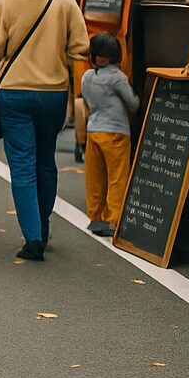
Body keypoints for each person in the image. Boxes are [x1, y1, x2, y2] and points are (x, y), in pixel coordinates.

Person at [0, 0, 91, 261]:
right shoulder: (65, 2)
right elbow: (80, 49)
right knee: (46, 161)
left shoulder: (5, 1)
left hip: (14, 94)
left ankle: (33, 238)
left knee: (23, 166)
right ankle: (41, 224)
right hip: (54, 94)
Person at [81, 32, 138, 237]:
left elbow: (86, 101)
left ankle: (96, 218)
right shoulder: (117, 78)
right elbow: (132, 104)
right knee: (117, 177)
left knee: (95, 177)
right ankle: (114, 220)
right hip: (115, 133)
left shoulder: (87, 77)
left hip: (93, 130)